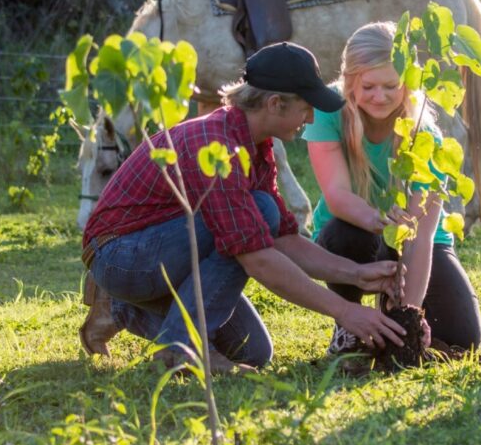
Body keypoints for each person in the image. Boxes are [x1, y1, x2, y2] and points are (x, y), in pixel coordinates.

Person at [78, 42, 409, 373]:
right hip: (119, 255)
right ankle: (179, 349)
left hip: (159, 252)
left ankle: (120, 308)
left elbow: (283, 238)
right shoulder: (216, 144)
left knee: (252, 352)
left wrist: (357, 274)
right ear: (275, 104)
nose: (310, 117)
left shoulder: (256, 146)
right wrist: (345, 311)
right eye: (306, 108)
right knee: (259, 210)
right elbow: (258, 258)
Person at [303, 22, 481, 356]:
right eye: (369, 86)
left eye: (391, 86)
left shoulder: (424, 135)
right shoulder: (327, 113)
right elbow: (338, 197)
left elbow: (422, 234)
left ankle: (390, 312)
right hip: (352, 230)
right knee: (347, 235)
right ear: (349, 82)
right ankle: (349, 327)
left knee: (463, 337)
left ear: (408, 84)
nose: (380, 96)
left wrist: (409, 316)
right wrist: (386, 222)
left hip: (414, 239)